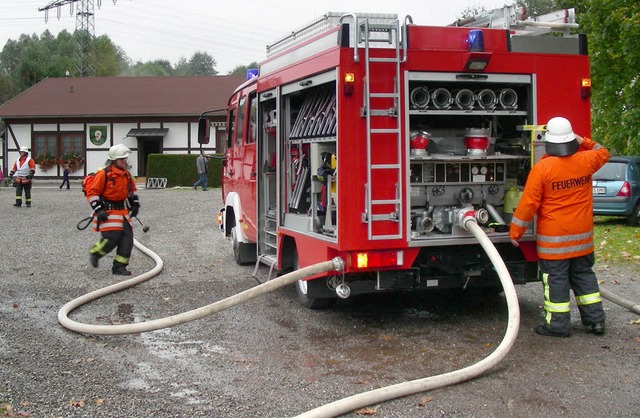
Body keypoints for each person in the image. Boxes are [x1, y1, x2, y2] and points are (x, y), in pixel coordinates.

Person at [509, 116, 610, 338]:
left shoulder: (542, 169)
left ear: (549, 141)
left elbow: (528, 204)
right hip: (583, 241)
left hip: (554, 244)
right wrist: (582, 140)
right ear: (570, 139)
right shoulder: (586, 161)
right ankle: (596, 322)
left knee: (555, 282)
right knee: (584, 277)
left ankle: (558, 325)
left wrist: (516, 232)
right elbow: (604, 151)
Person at [86, 144, 140, 276]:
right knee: (112, 237)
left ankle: (119, 267)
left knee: (128, 238)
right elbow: (92, 192)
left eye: (125, 159)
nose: (125, 161)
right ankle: (96, 252)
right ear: (114, 160)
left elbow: (131, 191)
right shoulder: (103, 174)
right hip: (108, 211)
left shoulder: (126, 175)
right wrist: (98, 210)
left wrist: (135, 204)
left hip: (122, 211)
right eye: (122, 159)